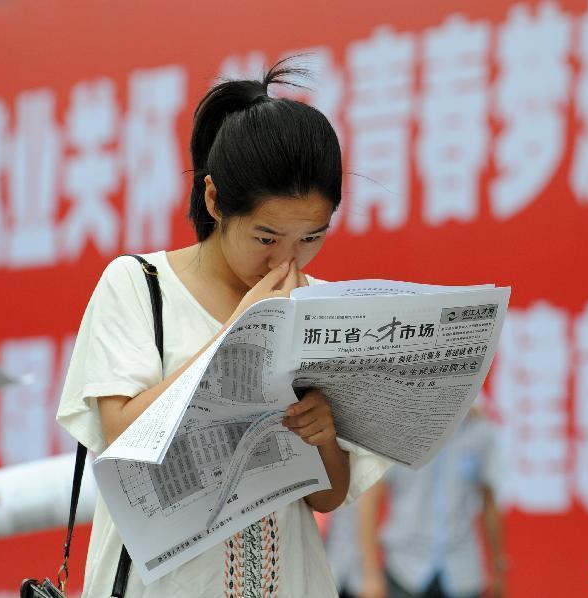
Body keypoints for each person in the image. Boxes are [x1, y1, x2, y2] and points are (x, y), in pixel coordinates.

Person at [56, 60, 390, 597]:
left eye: (311, 238)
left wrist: (324, 434)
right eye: (265, 238)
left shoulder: (319, 307)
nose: (286, 259)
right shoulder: (139, 284)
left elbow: (327, 498)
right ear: (214, 201)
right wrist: (241, 330)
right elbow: (121, 435)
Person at [354, 407, 507, 598]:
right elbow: (370, 500)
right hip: (404, 567)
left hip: (463, 569)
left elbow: (489, 503)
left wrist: (498, 567)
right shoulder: (397, 429)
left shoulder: (480, 432)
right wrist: (370, 573)